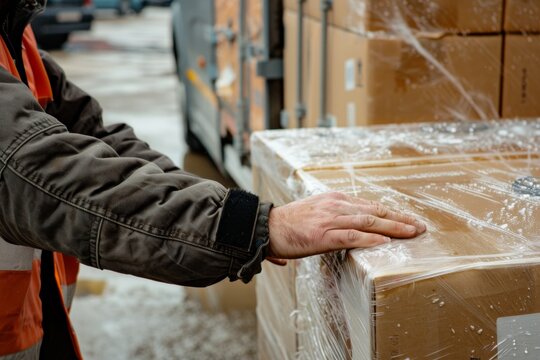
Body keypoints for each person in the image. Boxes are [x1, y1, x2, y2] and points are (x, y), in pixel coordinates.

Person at [0, 1, 427, 358]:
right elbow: (43, 173)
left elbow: (98, 140)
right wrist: (255, 225)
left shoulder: (15, 34)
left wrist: (238, 214)